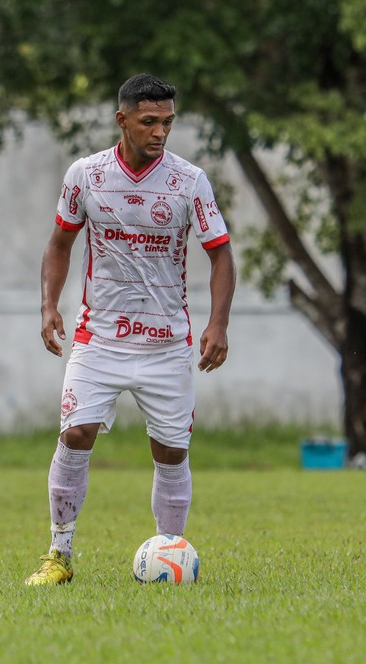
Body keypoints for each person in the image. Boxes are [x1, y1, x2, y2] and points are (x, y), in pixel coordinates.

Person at [25, 73, 236, 585]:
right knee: (75, 434)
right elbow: (60, 243)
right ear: (122, 120)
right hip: (98, 339)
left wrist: (218, 323)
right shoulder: (86, 175)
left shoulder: (189, 181)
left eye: (167, 122)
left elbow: (221, 254)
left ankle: (170, 555)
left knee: (171, 452)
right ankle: (59, 556)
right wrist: (50, 305)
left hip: (166, 344)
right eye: (148, 122)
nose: (160, 131)